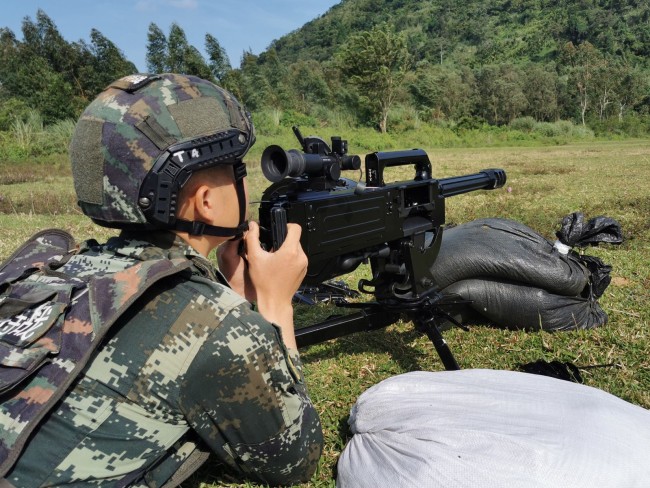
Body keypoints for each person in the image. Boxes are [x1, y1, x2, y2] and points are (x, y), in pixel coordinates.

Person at [4, 73, 323, 487]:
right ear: (207, 202)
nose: (245, 181)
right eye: (236, 168)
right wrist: (276, 305)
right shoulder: (214, 325)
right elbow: (294, 461)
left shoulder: (54, 268)